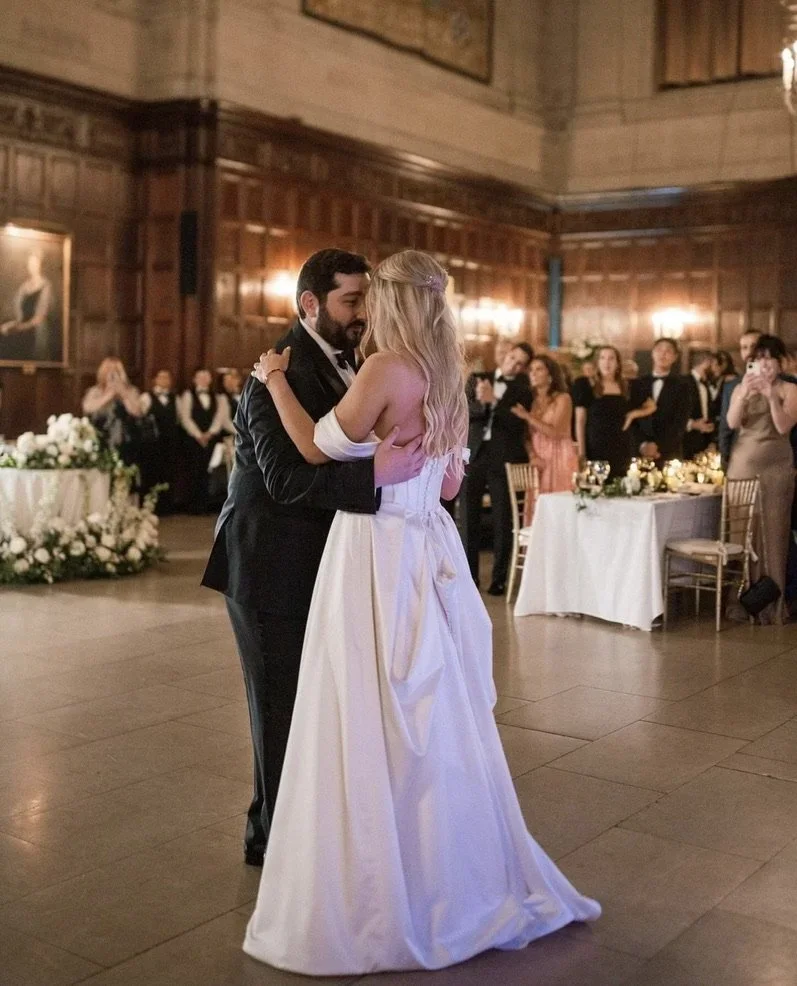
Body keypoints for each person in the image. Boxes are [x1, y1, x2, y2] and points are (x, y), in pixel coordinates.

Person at [243, 249, 600, 976]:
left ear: (394, 302)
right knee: (429, 718)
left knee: (364, 712)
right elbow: (445, 488)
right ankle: (444, 869)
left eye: (373, 297)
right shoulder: (446, 374)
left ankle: (377, 881)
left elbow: (313, 447)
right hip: (427, 550)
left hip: (373, 551)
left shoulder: (383, 369)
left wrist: (273, 380)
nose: (366, 309)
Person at [201, 248, 424, 868]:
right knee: (278, 707)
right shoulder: (275, 372)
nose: (362, 315)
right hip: (269, 562)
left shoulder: (358, 363)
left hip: (323, 561)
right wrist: (374, 479)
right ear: (310, 304)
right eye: (352, 302)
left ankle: (308, 831)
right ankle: (270, 845)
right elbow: (280, 480)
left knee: (316, 704)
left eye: (366, 302)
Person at [726, 334, 797, 624]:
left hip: (776, 468)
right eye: (760, 359)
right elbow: (731, 423)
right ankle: (742, 601)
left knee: (774, 534)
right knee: (742, 535)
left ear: (781, 363)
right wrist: (744, 394)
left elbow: (783, 427)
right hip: (742, 466)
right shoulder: (740, 388)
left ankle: (771, 605)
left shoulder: (790, 389)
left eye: (771, 359)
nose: (765, 364)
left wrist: (770, 396)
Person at [460, 342, 533, 594]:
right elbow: (465, 411)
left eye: (520, 363)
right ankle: (468, 577)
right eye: (512, 357)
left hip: (504, 458)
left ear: (524, 367)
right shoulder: (479, 377)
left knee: (504, 518)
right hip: (475, 454)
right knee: (468, 516)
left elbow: (517, 424)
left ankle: (499, 579)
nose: (513, 363)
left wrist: (495, 401)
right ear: (505, 354)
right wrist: (483, 403)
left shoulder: (524, 390)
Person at [510, 354, 578, 522]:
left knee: (558, 509)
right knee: (537, 509)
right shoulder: (531, 401)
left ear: (550, 375)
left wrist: (527, 416)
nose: (533, 373)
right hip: (539, 460)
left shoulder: (563, 398)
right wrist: (532, 456)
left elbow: (556, 432)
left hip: (559, 458)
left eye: (539, 369)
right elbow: (526, 435)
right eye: (531, 370)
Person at [573, 345, 654, 479]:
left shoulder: (628, 386)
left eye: (611, 359)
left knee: (621, 484)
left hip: (622, 444)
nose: (607, 362)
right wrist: (581, 453)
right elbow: (580, 421)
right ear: (597, 362)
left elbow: (651, 406)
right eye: (603, 358)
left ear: (617, 363)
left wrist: (633, 414)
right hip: (595, 444)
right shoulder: (585, 384)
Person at [178, 368, 232, 513]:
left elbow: (219, 418)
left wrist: (210, 433)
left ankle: (205, 504)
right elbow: (185, 417)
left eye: (206, 376)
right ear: (194, 379)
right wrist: (198, 434)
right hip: (193, 439)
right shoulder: (188, 395)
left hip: (211, 439)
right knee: (193, 470)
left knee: (209, 471)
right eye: (200, 376)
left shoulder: (218, 397)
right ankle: (191, 505)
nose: (203, 379)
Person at [630, 337, 690, 463]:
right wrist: (642, 445)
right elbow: (632, 419)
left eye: (668, 351)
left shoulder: (683, 386)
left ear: (675, 357)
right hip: (639, 452)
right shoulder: (637, 384)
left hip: (669, 453)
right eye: (659, 350)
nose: (663, 354)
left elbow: (680, 422)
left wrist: (658, 447)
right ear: (652, 353)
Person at [81, 357, 143, 467]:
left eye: (116, 371)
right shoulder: (94, 391)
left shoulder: (131, 391)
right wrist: (108, 395)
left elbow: (137, 412)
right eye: (109, 371)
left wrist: (123, 393)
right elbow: (88, 408)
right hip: (100, 439)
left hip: (126, 442)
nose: (112, 375)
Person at [718, 330, 762, 468]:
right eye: (744, 347)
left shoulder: (786, 382)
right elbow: (726, 425)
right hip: (740, 456)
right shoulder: (732, 385)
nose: (749, 351)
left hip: (777, 458)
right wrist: (725, 457)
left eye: (754, 346)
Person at [0, 251, 54, 362]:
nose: (32, 266)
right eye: (30, 263)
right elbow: (20, 317)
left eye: (35, 263)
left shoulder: (46, 286)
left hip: (37, 333)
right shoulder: (24, 287)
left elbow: (39, 319)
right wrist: (10, 325)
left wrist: (17, 329)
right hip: (23, 329)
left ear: (41, 265)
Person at [139, 369, 179, 513]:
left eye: (167, 377)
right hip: (152, 444)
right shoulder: (146, 397)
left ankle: (165, 506)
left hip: (170, 443)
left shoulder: (175, 398)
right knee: (151, 474)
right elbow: (140, 417)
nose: (164, 380)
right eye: (161, 377)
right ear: (155, 380)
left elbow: (178, 418)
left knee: (167, 474)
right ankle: (149, 506)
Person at [682, 349, 717, 460]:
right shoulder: (683, 382)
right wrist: (692, 424)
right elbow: (674, 412)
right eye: (713, 364)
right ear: (706, 363)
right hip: (686, 441)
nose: (715, 369)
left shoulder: (705, 384)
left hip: (704, 441)